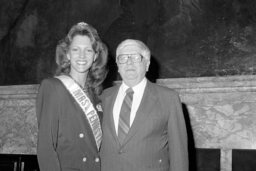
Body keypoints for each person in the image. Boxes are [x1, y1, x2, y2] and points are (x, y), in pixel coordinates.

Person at [100, 39, 188, 171]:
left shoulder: (168, 98)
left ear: (147, 64)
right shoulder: (104, 97)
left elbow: (179, 153)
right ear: (118, 65)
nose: (129, 62)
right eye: (123, 58)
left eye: (136, 57)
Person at [36, 22, 108, 171]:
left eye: (88, 50)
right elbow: (46, 147)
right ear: (68, 54)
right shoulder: (53, 87)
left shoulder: (97, 96)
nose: (82, 56)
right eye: (76, 49)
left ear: (95, 56)